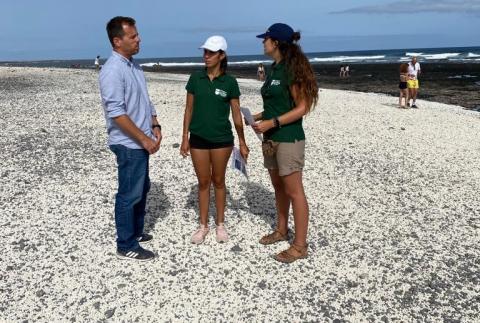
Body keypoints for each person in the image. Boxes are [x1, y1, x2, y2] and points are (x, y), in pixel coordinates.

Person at [251, 23, 318, 263]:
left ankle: (300, 246)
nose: (262, 42)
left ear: (276, 42)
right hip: (271, 138)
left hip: (289, 138)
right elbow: (276, 104)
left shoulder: (291, 69)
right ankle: (281, 230)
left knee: (294, 191)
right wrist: (257, 117)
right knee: (279, 188)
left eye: (265, 39)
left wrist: (273, 122)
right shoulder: (273, 69)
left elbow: (302, 108)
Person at [99, 16, 162, 261]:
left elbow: (145, 100)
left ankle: (135, 231)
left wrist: (154, 123)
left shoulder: (133, 66)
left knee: (142, 187)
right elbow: (116, 114)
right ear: (117, 41)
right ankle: (125, 244)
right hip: (128, 143)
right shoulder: (112, 70)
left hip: (142, 139)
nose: (139, 39)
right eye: (133, 36)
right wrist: (143, 140)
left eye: (137, 35)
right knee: (129, 193)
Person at [180, 35, 249, 245]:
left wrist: (242, 141)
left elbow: (237, 115)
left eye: (211, 52)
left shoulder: (230, 82)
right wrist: (185, 138)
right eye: (205, 52)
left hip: (222, 140)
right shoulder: (195, 78)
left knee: (218, 181)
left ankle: (220, 224)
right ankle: (203, 226)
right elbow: (188, 109)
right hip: (198, 139)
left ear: (222, 55)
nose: (206, 56)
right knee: (203, 182)